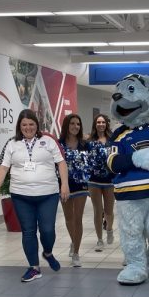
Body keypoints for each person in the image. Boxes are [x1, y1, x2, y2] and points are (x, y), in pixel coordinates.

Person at [0, 109, 68, 282]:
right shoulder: (12, 144)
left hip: (48, 194)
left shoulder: (48, 141)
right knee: (28, 231)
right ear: (19, 126)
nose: (28, 128)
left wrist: (65, 184)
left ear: (37, 125)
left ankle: (47, 252)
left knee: (47, 230)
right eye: (24, 124)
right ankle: (34, 267)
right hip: (21, 195)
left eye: (31, 124)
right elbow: (4, 167)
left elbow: (61, 163)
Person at [60, 113, 91, 267]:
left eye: (78, 124)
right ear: (67, 125)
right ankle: (73, 241)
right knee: (68, 217)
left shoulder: (85, 144)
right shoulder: (58, 144)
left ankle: (77, 252)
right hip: (64, 185)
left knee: (78, 218)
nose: (75, 126)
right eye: (72, 123)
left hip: (81, 185)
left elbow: (91, 164)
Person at [87, 113, 115, 251]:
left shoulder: (112, 139)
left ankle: (109, 229)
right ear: (95, 124)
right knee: (98, 211)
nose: (101, 124)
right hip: (93, 181)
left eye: (103, 122)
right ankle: (99, 239)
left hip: (109, 181)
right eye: (98, 122)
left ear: (106, 124)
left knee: (109, 211)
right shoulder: (89, 140)